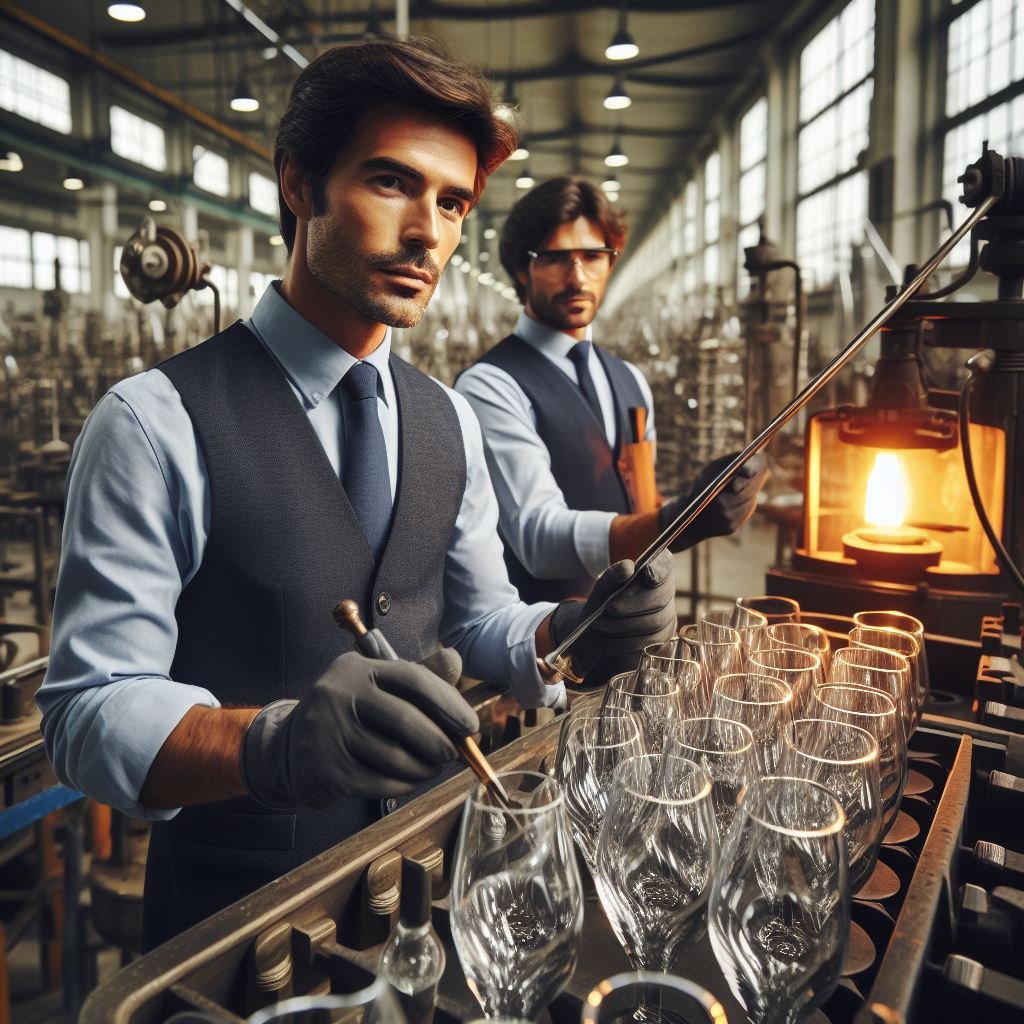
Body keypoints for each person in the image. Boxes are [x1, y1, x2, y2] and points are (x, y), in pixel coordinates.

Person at [37, 41, 676, 949]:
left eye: (452, 203)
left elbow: (472, 614)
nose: (429, 233)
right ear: (298, 184)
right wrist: (276, 745)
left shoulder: (447, 418)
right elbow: (87, 710)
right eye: (391, 184)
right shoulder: (153, 422)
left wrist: (564, 632)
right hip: (239, 930)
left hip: (425, 888)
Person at [455, 176, 768, 604]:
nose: (578, 276)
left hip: (639, 627)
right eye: (555, 258)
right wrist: (679, 520)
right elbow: (536, 538)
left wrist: (701, 497)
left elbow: (640, 501)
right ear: (520, 270)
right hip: (547, 645)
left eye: (593, 256)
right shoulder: (491, 385)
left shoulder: (629, 379)